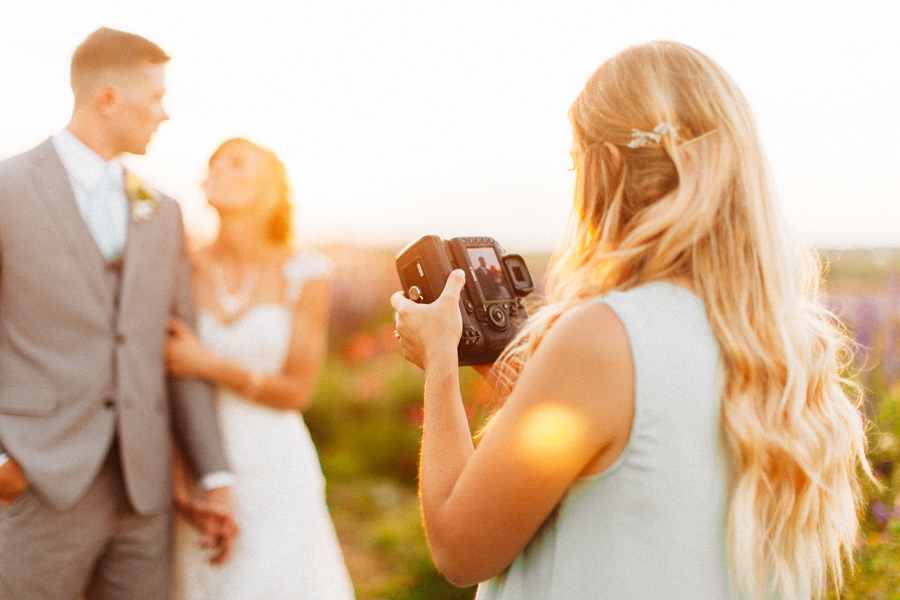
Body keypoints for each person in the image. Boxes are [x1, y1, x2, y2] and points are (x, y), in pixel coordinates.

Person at [391, 41, 871, 600]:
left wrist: (439, 363)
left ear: (610, 167)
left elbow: (460, 547)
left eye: (577, 162)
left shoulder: (603, 336)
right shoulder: (786, 342)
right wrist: (518, 378)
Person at [0, 27, 236, 599]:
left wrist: (215, 474)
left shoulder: (165, 210)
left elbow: (177, 348)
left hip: (145, 494)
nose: (165, 113)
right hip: (35, 483)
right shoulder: (6, 189)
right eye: (155, 97)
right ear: (107, 97)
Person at [166, 138, 356, 599]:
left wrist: (205, 363)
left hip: (275, 465)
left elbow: (297, 392)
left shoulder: (307, 271)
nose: (221, 171)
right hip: (197, 458)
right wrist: (179, 475)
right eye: (214, 164)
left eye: (238, 164)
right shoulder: (178, 265)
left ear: (272, 190)